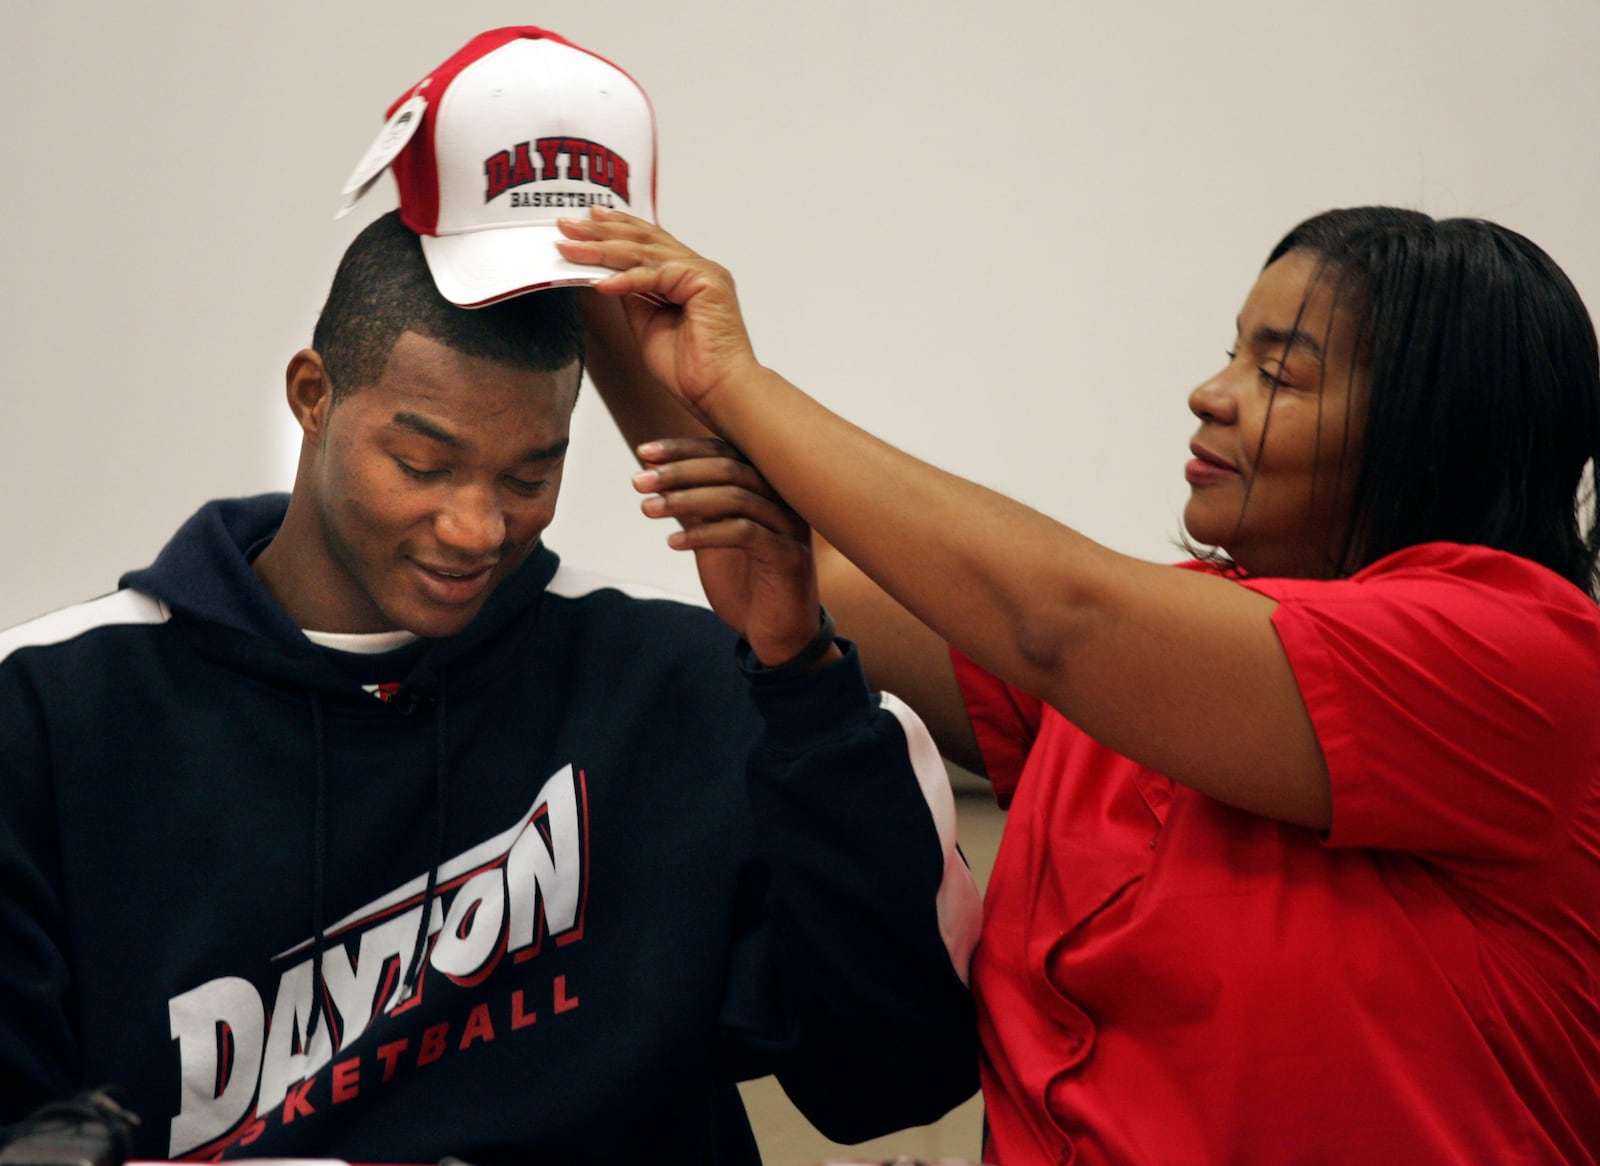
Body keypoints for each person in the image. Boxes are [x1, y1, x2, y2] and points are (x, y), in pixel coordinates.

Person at [0, 28, 982, 1166]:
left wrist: (798, 669)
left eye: (532, 474)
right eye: (423, 463)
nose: (478, 529)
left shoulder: (680, 693)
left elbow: (897, 1077)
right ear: (312, 395)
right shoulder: (50, 715)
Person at [557, 203, 1600, 1163]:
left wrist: (737, 377)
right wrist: (588, 276)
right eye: (1231, 352)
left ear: (1435, 426)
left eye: (1279, 374)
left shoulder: (1524, 659)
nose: (1211, 393)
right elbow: (795, 569)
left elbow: (1054, 619)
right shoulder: (1145, 663)